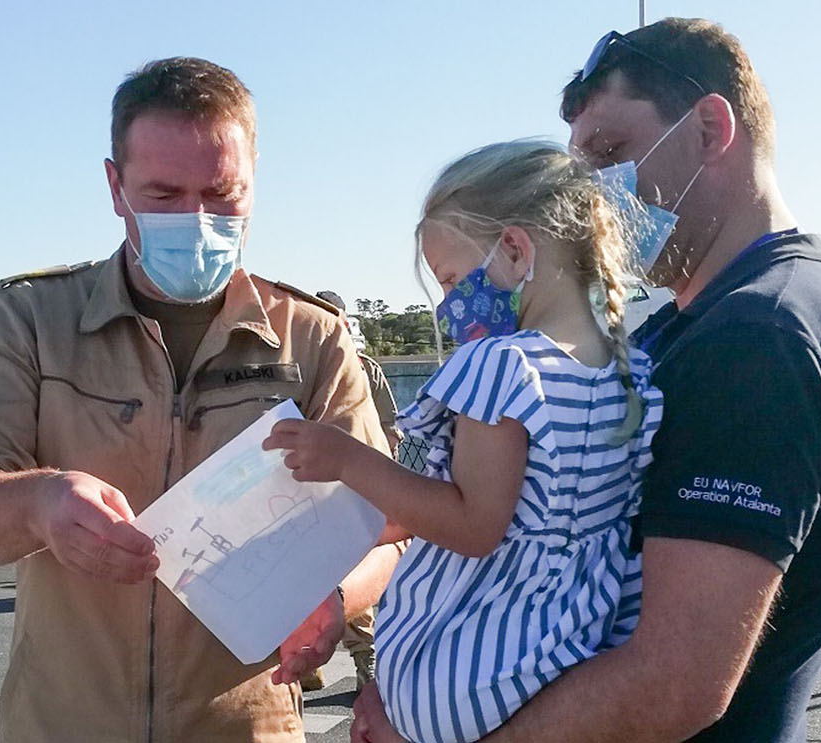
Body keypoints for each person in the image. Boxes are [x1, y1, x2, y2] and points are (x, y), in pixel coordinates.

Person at [354, 19, 821, 743]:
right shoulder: (678, 331)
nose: (591, 197)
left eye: (610, 153)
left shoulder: (762, 338)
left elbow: (671, 682)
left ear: (709, 128)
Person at [0, 57, 403, 743]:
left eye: (222, 193)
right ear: (115, 187)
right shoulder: (33, 320)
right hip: (62, 725)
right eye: (164, 193)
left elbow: (384, 520)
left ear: (255, 184)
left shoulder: (312, 337)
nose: (197, 220)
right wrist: (39, 503)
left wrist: (336, 596)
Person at [272, 142, 660, 743]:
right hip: (567, 653)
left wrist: (344, 457)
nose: (451, 304)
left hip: (468, 666)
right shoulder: (629, 372)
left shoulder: (502, 366)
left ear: (513, 248)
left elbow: (474, 524)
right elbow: (530, 510)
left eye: (452, 279)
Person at [302, 290, 403, 691]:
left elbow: (389, 429)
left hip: (360, 486)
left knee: (350, 571)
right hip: (309, 490)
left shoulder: (366, 369)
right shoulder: (302, 361)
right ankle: (306, 660)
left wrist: (382, 481)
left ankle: (366, 660)